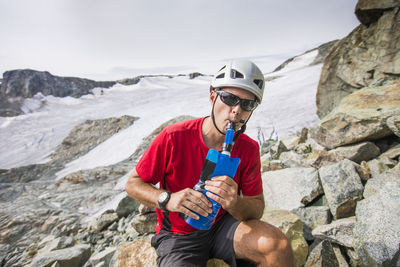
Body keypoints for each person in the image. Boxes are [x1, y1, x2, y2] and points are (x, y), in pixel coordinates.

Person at [125, 59, 295, 267]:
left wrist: (235, 202)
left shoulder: (248, 148)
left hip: (222, 226)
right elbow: (133, 184)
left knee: (276, 245)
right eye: (230, 98)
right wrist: (168, 199)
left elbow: (256, 208)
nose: (236, 110)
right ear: (212, 96)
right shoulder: (174, 137)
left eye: (248, 104)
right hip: (179, 236)